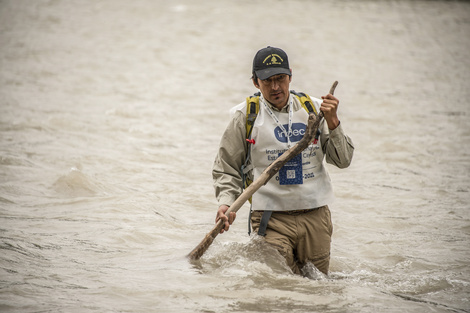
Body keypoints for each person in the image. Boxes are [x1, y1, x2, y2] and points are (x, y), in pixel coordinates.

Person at [212, 46, 354, 275]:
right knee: (277, 288)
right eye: (267, 81)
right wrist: (226, 204)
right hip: (270, 219)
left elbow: (343, 160)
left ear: (290, 76)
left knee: (317, 289)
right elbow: (226, 168)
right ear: (255, 82)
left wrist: (334, 120)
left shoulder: (316, 109)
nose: (275, 87)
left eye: (280, 78)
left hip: (315, 216)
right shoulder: (245, 116)